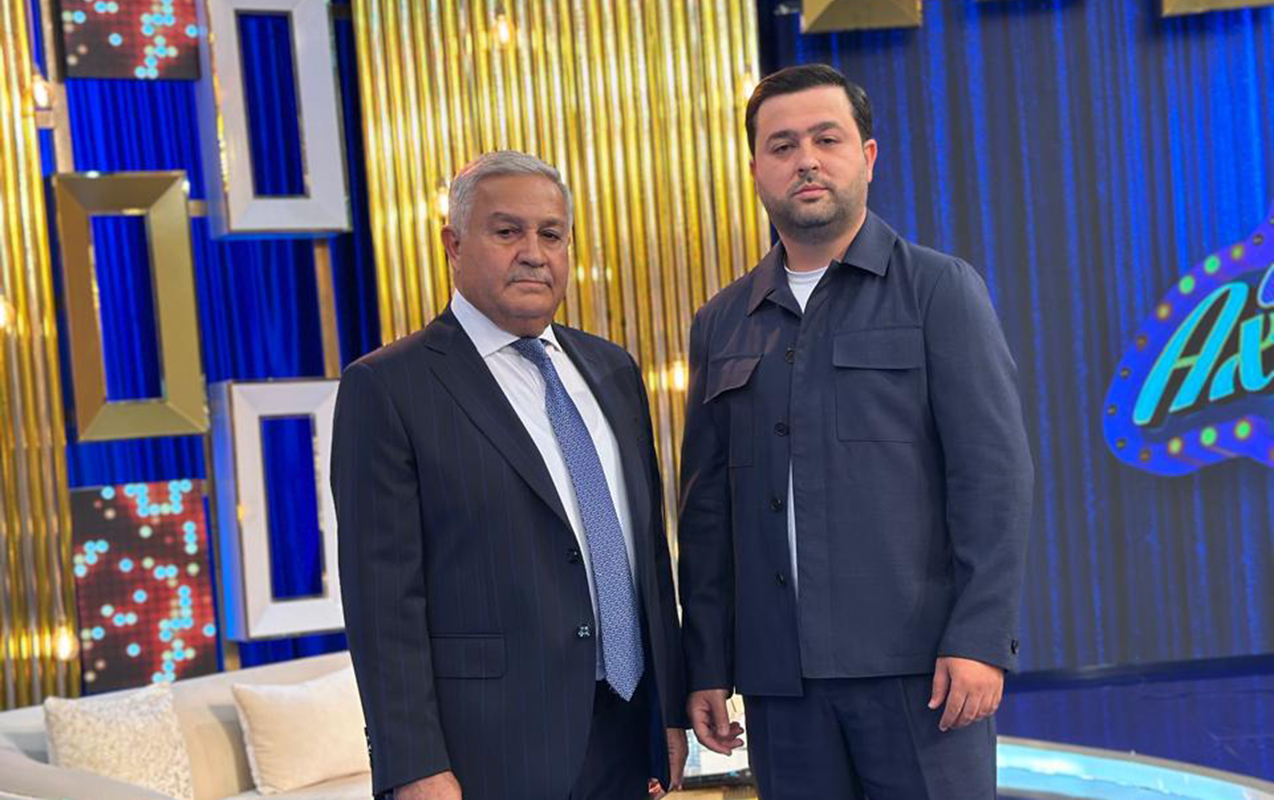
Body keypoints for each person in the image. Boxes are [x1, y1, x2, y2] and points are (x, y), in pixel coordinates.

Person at [677, 63, 1034, 799]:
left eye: (826, 139)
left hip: (923, 675)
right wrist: (706, 662)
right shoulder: (722, 322)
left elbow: (993, 477)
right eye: (781, 146)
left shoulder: (938, 291)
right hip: (782, 688)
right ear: (755, 170)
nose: (805, 160)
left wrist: (979, 639)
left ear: (867, 157)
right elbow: (706, 512)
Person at [332, 150, 687, 800]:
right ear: (454, 245)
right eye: (507, 232)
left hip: (627, 736)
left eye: (551, 234)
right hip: (488, 755)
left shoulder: (613, 370)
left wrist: (667, 709)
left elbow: (645, 557)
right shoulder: (387, 387)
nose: (533, 253)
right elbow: (382, 603)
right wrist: (413, 764)